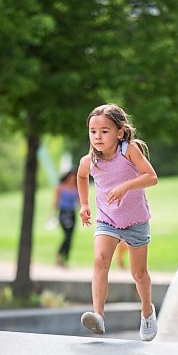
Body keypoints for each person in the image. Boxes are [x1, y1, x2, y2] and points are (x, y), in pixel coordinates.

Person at [77, 104, 158, 341]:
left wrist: (125, 186)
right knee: (100, 260)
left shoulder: (129, 150)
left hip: (135, 220)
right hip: (107, 219)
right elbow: (81, 176)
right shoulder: (89, 160)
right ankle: (98, 316)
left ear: (119, 133)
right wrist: (84, 204)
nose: (97, 137)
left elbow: (152, 178)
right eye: (93, 131)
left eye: (104, 131)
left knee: (138, 273)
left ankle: (146, 312)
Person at [55, 170, 79, 267]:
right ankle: (59, 254)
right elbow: (56, 201)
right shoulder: (60, 187)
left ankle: (65, 259)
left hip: (72, 213)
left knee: (70, 236)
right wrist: (53, 214)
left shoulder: (76, 188)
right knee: (66, 235)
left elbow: (79, 202)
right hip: (63, 213)